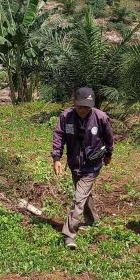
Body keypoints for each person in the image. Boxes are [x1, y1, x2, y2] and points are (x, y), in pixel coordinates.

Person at [52, 87, 114, 249]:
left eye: (87, 107)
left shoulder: (100, 117)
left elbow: (109, 138)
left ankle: (69, 234)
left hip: (92, 165)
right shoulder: (66, 117)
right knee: (83, 194)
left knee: (79, 198)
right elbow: (59, 136)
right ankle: (93, 220)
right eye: (80, 107)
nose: (83, 110)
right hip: (74, 163)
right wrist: (57, 158)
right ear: (75, 104)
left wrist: (108, 154)